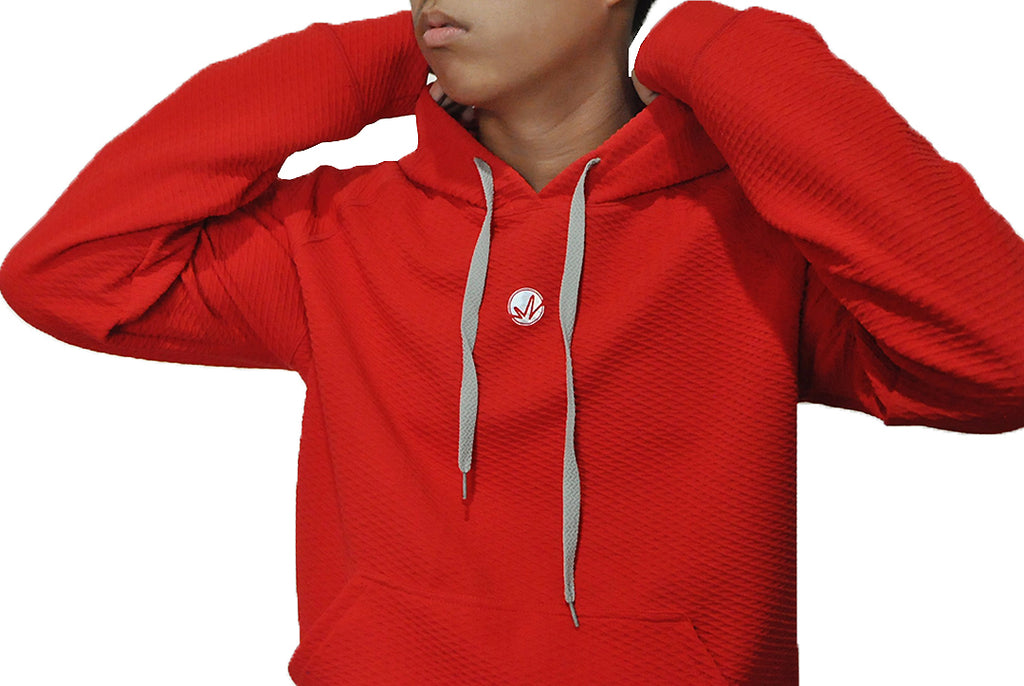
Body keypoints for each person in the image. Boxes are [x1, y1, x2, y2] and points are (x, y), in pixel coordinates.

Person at [1, 0, 1022, 684]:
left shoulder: (753, 239)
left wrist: (726, 54)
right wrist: (367, 64)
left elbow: (1002, 357)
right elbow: (67, 273)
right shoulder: (334, 236)